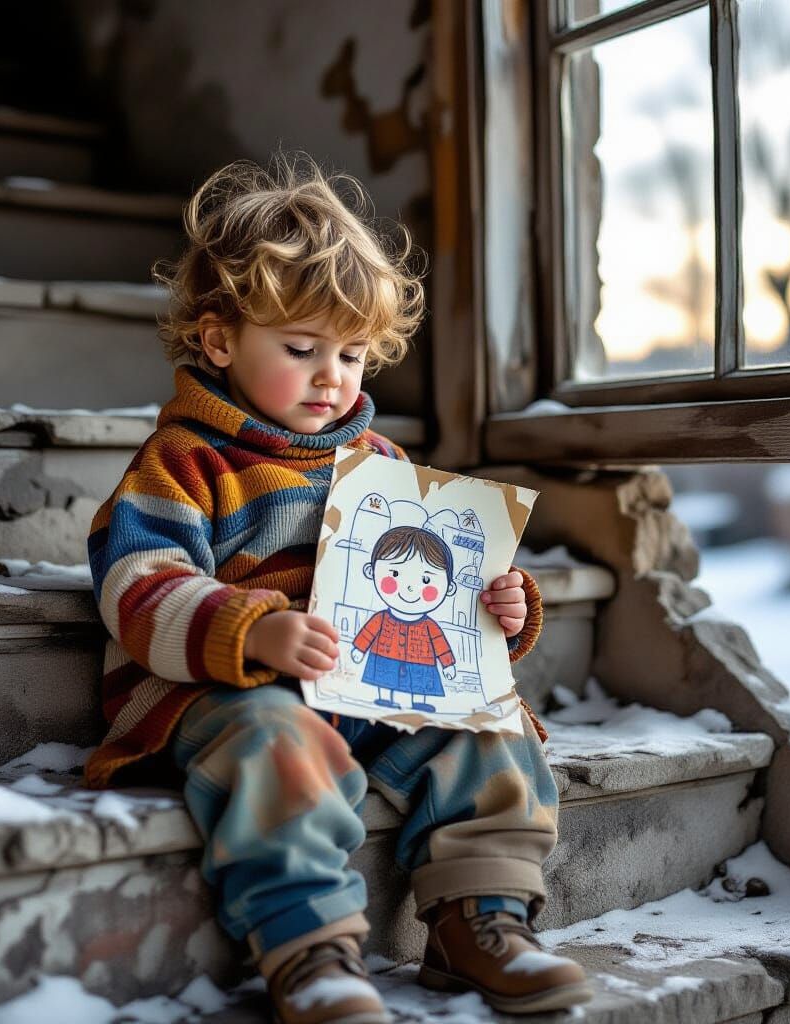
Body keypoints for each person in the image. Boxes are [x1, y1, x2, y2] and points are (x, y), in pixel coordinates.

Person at [84, 154, 592, 1022]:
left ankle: (483, 918)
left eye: (353, 354)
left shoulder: (385, 467)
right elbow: (138, 583)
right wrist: (248, 631)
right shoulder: (184, 462)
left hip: (371, 681)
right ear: (218, 341)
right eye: (301, 348)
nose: (333, 377)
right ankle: (310, 951)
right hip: (226, 688)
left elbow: (427, 584)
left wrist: (496, 609)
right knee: (276, 743)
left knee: (489, 731)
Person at [350, 525, 459, 713]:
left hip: (422, 662)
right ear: (371, 571)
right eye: (395, 573)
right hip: (384, 657)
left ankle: (419, 701)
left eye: (426, 580)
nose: (409, 588)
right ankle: (385, 698)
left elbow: (440, 644)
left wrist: (447, 664)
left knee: (419, 682)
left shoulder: (430, 626)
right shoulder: (381, 618)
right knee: (384, 678)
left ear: (449, 588)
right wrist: (359, 649)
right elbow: (368, 632)